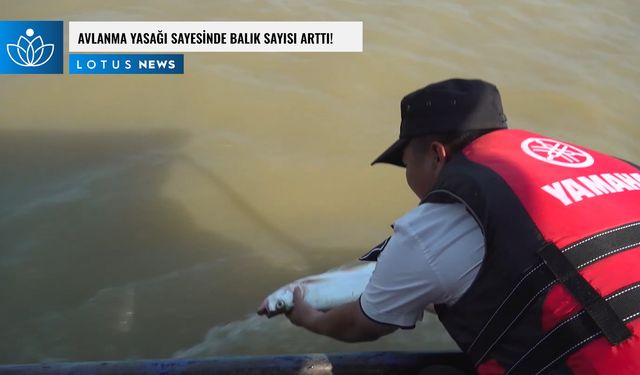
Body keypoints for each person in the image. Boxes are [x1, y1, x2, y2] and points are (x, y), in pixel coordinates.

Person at [286, 78, 640, 374]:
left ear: (437, 154)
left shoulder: (434, 226)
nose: (408, 177)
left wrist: (311, 319)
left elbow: (359, 325)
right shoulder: (612, 168)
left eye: (407, 163)